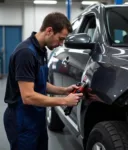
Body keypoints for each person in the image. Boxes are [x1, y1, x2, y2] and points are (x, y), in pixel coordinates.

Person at [3, 12, 83, 150]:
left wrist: (64, 91)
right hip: (22, 119)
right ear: (49, 30)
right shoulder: (26, 53)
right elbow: (28, 96)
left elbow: (40, 83)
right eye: (60, 39)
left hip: (37, 117)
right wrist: (64, 101)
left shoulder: (41, 50)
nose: (60, 44)